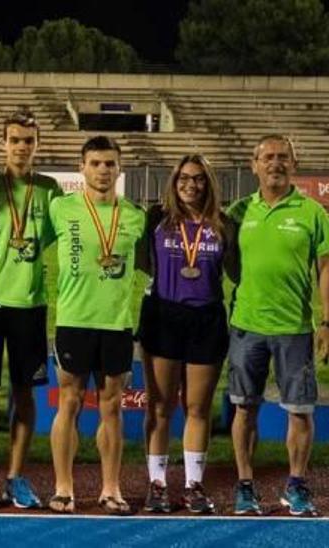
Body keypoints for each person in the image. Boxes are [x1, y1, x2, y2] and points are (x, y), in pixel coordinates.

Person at [226, 135, 329, 517]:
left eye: (283, 157)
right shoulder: (239, 211)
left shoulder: (312, 212)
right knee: (243, 408)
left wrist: (327, 320)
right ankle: (245, 486)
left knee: (300, 410)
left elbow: (325, 268)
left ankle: (297, 485)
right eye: (267, 157)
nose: (275, 163)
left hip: (294, 328)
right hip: (246, 326)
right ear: (254, 165)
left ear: (295, 164)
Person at [0, 111, 61, 509]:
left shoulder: (48, 189)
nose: (21, 147)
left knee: (25, 393)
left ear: (37, 145)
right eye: (15, 140)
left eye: (28, 140)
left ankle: (17, 477)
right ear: (3, 143)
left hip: (29, 304)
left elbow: (58, 239)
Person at [47, 136, 146, 515]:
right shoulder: (61, 208)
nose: (103, 170)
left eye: (110, 164)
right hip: (74, 320)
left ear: (120, 168)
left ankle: (111, 487)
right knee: (68, 403)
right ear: (82, 167)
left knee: (112, 408)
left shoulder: (134, 214)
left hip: (117, 323)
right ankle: (63, 487)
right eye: (95, 163)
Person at [137, 154, 233, 514]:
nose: (191, 185)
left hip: (206, 318)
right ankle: (157, 484)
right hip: (164, 316)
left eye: (198, 179)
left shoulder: (224, 224)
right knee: (160, 405)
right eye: (183, 179)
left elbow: (236, 268)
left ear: (208, 183)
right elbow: (142, 260)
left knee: (198, 407)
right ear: (173, 183)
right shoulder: (156, 219)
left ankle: (194, 485)